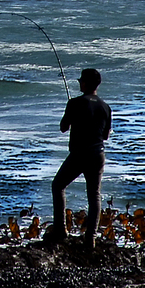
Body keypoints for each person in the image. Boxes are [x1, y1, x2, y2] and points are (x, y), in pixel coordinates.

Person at [52, 67, 112, 248]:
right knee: (94, 196)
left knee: (58, 185)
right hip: (98, 154)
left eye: (81, 80)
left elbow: (63, 127)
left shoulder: (74, 103)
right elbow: (106, 135)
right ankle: (90, 238)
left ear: (86, 83)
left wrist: (70, 112)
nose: (79, 82)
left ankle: (60, 230)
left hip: (80, 154)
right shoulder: (105, 107)